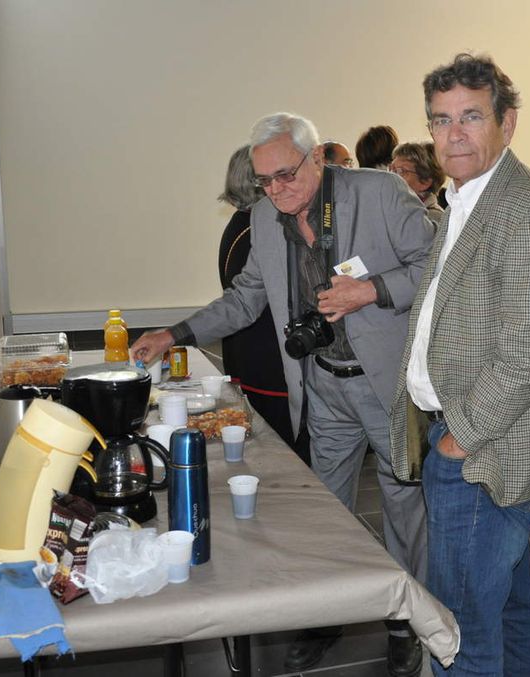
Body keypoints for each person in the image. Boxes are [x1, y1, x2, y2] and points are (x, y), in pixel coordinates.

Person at [131, 112, 433, 677]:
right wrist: (175, 333)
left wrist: (370, 290)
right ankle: (324, 615)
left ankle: (402, 618)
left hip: (385, 383)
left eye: (286, 175)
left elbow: (437, 268)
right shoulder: (267, 218)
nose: (276, 191)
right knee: (325, 511)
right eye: (264, 181)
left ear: (318, 157)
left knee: (403, 503)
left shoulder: (381, 193)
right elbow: (245, 297)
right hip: (321, 385)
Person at [389, 53, 530, 676]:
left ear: (509, 122)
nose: (454, 134)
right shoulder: (462, 200)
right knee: (505, 612)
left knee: (459, 635)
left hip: (482, 453)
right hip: (469, 441)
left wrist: (456, 440)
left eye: (471, 116)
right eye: (440, 121)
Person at [215, 145, 307, 462]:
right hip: (269, 365)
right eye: (271, 177)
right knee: (286, 460)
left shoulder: (242, 225)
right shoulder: (259, 228)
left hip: (252, 359)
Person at [390, 142, 445, 225]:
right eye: (391, 169)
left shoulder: (432, 219)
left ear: (425, 182)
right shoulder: (392, 209)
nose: (391, 176)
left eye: (401, 171)